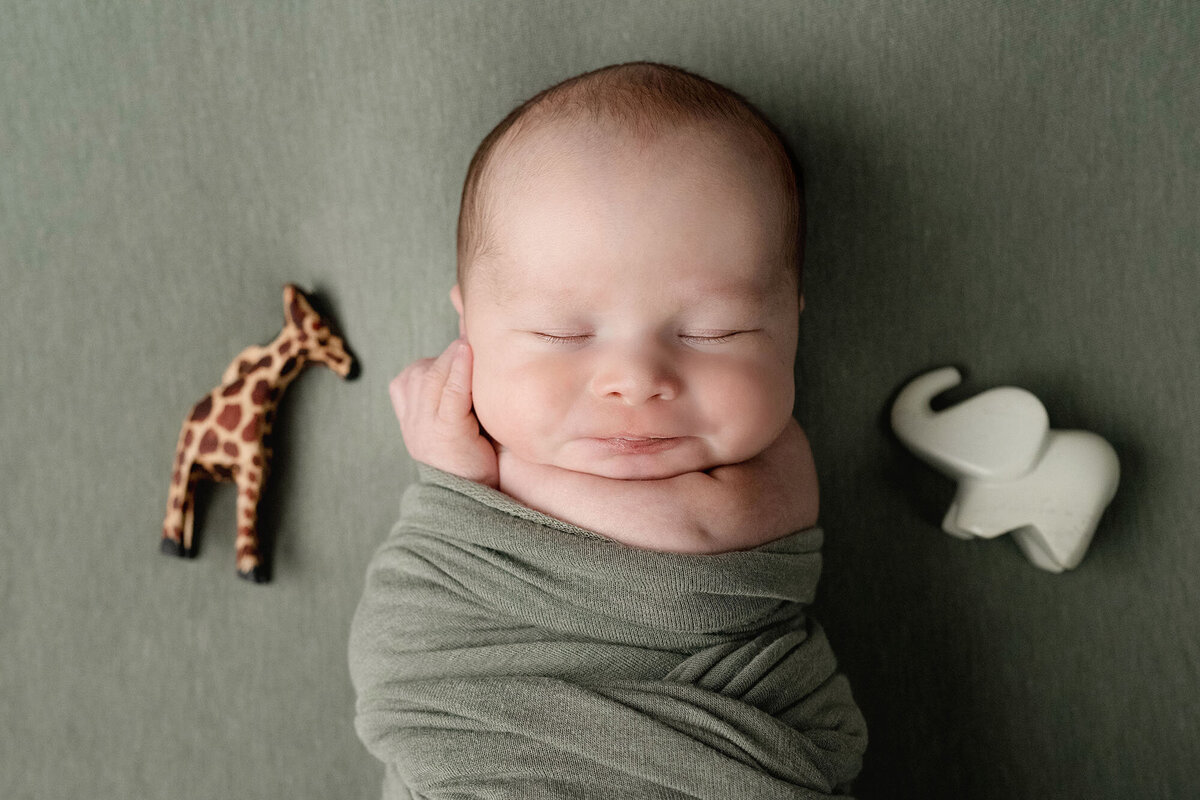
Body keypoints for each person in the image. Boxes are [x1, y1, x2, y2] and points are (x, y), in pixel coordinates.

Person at [351, 62, 866, 798]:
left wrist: (482, 475)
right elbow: (409, 652)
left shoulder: (777, 463)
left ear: (790, 324)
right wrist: (449, 481)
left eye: (716, 331)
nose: (634, 378)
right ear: (469, 325)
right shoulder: (458, 501)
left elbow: (694, 542)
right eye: (562, 333)